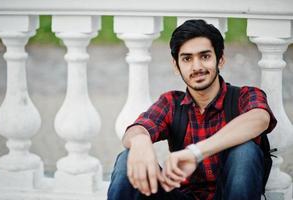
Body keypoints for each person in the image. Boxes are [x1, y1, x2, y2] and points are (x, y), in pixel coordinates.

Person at [107, 19, 277, 200]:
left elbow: (260, 118)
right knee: (128, 158)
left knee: (245, 151)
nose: (197, 67)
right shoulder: (171, 103)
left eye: (205, 56)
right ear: (176, 66)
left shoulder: (245, 96)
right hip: (181, 197)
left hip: (229, 195)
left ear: (220, 60)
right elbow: (137, 129)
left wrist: (196, 152)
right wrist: (140, 140)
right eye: (187, 59)